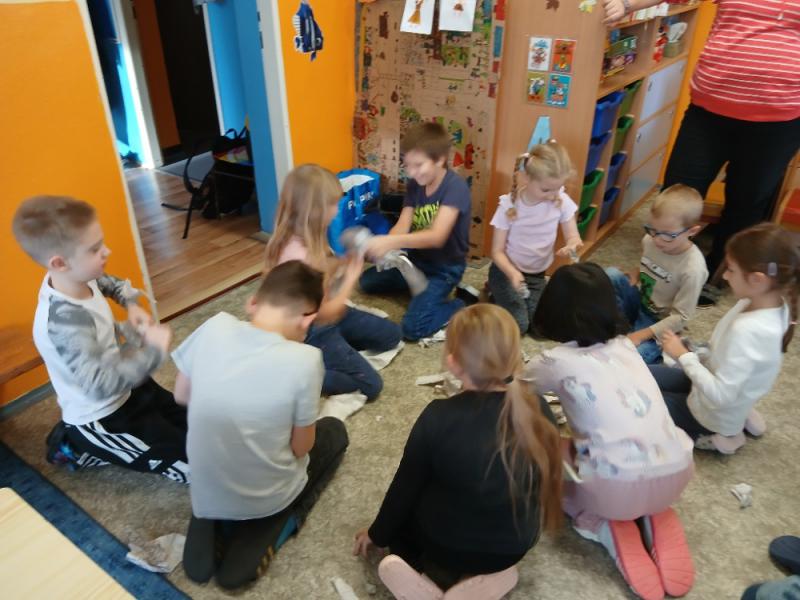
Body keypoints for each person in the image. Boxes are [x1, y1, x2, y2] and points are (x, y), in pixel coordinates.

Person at [353, 304, 562, 597]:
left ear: (452, 363)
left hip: (444, 548)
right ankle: (480, 579)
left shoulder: (437, 416)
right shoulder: (539, 408)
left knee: (403, 527)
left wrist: (377, 534)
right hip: (512, 549)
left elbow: (404, 490)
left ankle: (430, 578)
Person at [602, 0, 800, 307]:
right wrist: (626, 4)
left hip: (778, 118)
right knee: (678, 190)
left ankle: (721, 272)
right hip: (709, 111)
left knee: (747, 201)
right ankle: (661, 264)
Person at [173, 261, 349, 589]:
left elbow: (181, 395)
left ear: (252, 302)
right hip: (269, 496)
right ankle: (277, 520)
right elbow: (301, 448)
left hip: (207, 485)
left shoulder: (213, 326)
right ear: (307, 319)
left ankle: (211, 516)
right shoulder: (306, 360)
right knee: (335, 433)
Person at [527, 262, 695, 600]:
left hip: (612, 489)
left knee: (543, 447)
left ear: (551, 308)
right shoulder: (626, 346)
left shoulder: (553, 361)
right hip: (677, 471)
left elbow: (511, 390)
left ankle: (598, 521)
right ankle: (652, 510)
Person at [11, 195, 187, 482]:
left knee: (194, 419)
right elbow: (98, 386)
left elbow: (109, 282)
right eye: (95, 249)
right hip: (103, 413)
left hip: (124, 381)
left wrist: (131, 304)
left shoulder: (80, 277)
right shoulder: (65, 323)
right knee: (194, 463)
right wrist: (153, 351)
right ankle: (76, 445)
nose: (107, 251)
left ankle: (86, 441)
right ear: (60, 263)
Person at [651, 223, 797, 454]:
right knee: (642, 375)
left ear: (758, 280)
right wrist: (694, 353)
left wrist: (684, 356)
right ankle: (740, 417)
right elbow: (733, 364)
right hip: (715, 386)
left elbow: (722, 395)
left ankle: (721, 437)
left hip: (711, 412)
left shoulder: (749, 331)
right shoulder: (767, 303)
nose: (726, 276)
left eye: (731, 270)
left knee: (638, 403)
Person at [264, 164, 401, 402]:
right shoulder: (299, 256)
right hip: (309, 329)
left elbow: (324, 271)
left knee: (392, 335)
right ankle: (300, 374)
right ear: (315, 210)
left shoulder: (308, 234)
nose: (338, 210)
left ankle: (335, 351)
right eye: (334, 204)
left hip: (324, 313)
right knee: (370, 385)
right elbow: (326, 314)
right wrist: (351, 277)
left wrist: (343, 262)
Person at [359, 122, 473, 340]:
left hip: (445, 268)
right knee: (367, 282)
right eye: (407, 165)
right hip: (415, 262)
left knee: (413, 329)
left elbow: (436, 236)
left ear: (440, 159)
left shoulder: (455, 188)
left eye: (418, 165)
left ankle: (461, 303)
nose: (411, 172)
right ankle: (421, 290)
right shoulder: (415, 185)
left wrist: (389, 242)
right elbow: (403, 223)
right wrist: (384, 246)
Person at [488, 142, 583, 335]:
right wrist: (512, 274)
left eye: (558, 188)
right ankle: (494, 294)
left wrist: (572, 245)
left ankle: (506, 300)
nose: (553, 195)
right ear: (526, 178)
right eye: (546, 190)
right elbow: (496, 252)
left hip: (537, 275)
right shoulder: (509, 206)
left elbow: (573, 235)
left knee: (542, 329)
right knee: (519, 327)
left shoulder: (561, 200)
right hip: (506, 273)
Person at [606, 184, 707, 364]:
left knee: (630, 360)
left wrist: (640, 335)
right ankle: (618, 327)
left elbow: (680, 317)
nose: (657, 239)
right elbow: (649, 265)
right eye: (652, 229)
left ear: (692, 231)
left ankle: (652, 348)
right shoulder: (650, 240)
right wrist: (636, 273)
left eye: (667, 235)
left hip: (660, 324)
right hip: (641, 304)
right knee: (611, 275)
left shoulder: (693, 269)